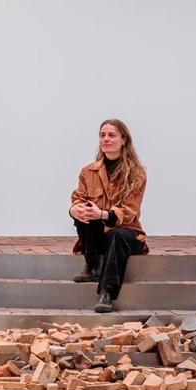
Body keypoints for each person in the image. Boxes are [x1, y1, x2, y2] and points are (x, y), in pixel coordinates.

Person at [69, 119, 148, 313]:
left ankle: (107, 291)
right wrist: (74, 210)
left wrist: (103, 214)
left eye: (112, 135)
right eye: (102, 135)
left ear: (124, 139)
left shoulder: (136, 173)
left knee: (117, 234)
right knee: (84, 211)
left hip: (126, 234)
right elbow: (78, 198)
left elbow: (130, 211)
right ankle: (92, 265)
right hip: (99, 236)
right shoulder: (88, 171)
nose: (106, 139)